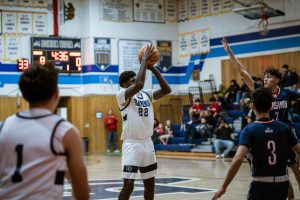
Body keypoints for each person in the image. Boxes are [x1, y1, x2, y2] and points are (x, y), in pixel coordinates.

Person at [222, 37, 300, 199]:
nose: (265, 78)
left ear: (277, 80)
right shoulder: (260, 91)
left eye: (269, 76)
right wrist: (230, 53)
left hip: (285, 132)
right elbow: (242, 72)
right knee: (282, 172)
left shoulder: (286, 93)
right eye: (265, 75)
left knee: (294, 167)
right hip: (268, 133)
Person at [0, 63, 89, 199]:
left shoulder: (3, 126)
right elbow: (82, 192)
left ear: (24, 94)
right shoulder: (65, 131)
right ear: (56, 93)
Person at [212, 87, 300, 200]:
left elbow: (238, 158)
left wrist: (224, 187)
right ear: (271, 106)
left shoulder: (249, 130)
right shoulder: (284, 128)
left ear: (252, 106)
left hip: (260, 184)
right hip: (282, 184)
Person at [116, 44, 171, 200]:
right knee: (129, 185)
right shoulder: (122, 96)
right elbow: (139, 83)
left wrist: (153, 69)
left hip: (147, 143)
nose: (136, 82)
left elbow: (167, 90)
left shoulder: (146, 94)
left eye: (136, 78)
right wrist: (144, 61)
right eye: (132, 80)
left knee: (150, 184)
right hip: (131, 144)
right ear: (125, 85)